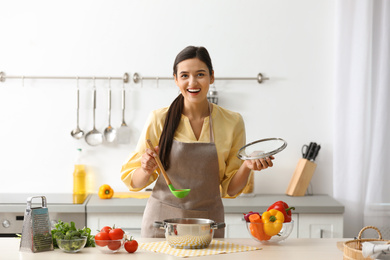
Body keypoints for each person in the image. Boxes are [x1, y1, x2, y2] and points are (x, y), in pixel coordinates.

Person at [121, 46, 274, 238]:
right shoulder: (159, 119)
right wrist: (146, 169)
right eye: (184, 75)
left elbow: (230, 189)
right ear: (176, 79)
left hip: (207, 224)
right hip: (162, 225)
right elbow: (134, 183)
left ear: (212, 77)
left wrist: (247, 165)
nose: (192, 82)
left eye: (200, 74)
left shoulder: (232, 122)